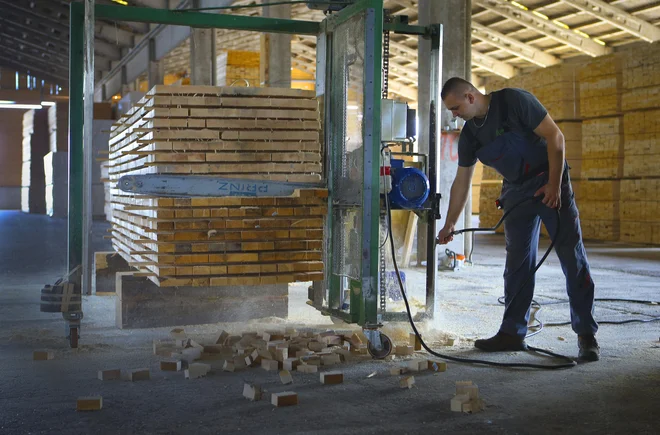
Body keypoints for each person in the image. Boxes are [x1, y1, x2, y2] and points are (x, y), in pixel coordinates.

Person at [436, 77, 600, 362]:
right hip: (516, 190)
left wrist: (553, 184)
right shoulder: (470, 136)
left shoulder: (514, 101)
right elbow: (461, 182)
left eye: (455, 107)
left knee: (572, 258)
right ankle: (512, 332)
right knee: (516, 265)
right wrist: (450, 223)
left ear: (470, 96)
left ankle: (586, 335)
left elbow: (555, 137)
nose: (454, 115)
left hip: (549, 181)